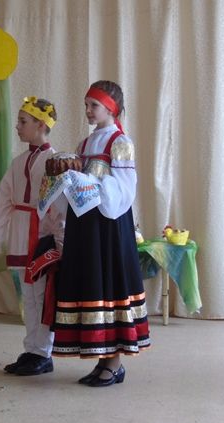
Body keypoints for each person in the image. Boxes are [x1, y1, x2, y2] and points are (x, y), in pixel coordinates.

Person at [52, 80, 150, 387]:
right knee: (93, 284)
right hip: (85, 224)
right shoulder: (84, 144)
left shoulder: (120, 142)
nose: (88, 111)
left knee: (109, 285)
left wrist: (89, 182)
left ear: (111, 108)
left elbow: (124, 190)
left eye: (93, 105)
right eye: (86, 105)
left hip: (109, 225)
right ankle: (102, 359)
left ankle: (115, 363)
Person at [0, 97, 65, 376]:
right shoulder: (18, 162)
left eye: (23, 121)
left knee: (41, 296)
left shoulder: (54, 162)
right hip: (21, 232)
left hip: (42, 235)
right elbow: (3, 200)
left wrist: (60, 241)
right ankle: (31, 348)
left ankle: (43, 352)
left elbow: (58, 204)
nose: (17, 127)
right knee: (28, 296)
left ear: (41, 125)